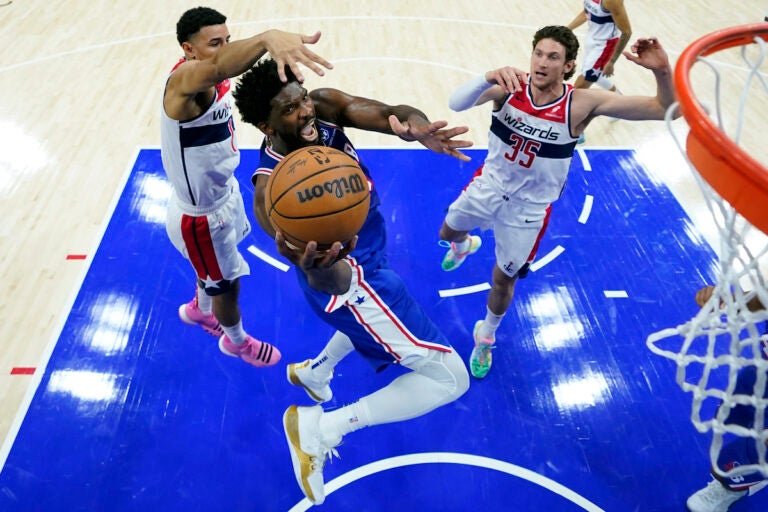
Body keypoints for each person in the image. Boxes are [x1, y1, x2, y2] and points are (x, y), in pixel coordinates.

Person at [232, 58, 472, 504]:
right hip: (344, 275)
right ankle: (319, 429)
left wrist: (414, 126)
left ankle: (315, 372)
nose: (305, 111)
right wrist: (332, 270)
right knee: (449, 379)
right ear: (266, 125)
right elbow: (313, 269)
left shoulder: (320, 109)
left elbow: (386, 113)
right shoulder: (271, 191)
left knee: (371, 322)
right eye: (290, 109)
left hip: (368, 242)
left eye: (302, 97)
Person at [439, 26, 677, 379]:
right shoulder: (508, 90)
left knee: (504, 280)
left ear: (568, 67)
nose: (542, 62)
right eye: (538, 53)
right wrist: (487, 75)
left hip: (528, 210)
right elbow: (455, 103)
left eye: (553, 57)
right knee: (448, 230)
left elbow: (666, 109)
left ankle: (486, 334)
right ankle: (465, 245)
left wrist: (661, 70)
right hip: (488, 186)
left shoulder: (581, 103)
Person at [160, 7, 332, 368]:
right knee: (228, 285)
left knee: (213, 270)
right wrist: (269, 37)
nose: (223, 48)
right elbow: (219, 66)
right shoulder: (186, 83)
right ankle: (235, 342)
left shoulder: (211, 78)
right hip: (201, 219)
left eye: (227, 40)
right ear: (188, 50)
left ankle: (199, 307)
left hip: (224, 195)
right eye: (213, 43)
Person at [686, 285, 768, 512]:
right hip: (762, 372)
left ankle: (730, 487)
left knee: (760, 446)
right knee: (733, 414)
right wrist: (730, 300)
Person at [566, 0, 632, 143]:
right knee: (594, 76)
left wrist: (612, 61)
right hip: (591, 39)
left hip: (604, 46)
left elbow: (626, 32)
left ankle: (578, 132)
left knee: (578, 90)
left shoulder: (612, 1)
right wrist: (567, 29)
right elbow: (586, 12)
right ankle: (618, 99)